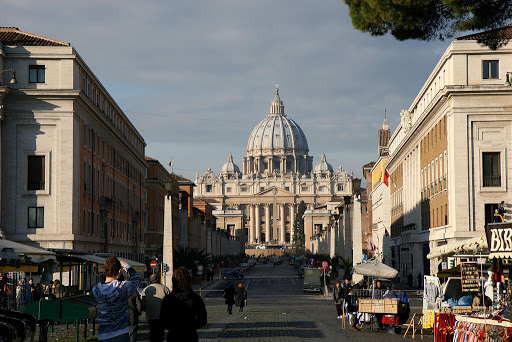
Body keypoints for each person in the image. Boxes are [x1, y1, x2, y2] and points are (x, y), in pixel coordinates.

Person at [92, 257, 140, 342]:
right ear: (119, 271)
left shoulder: (96, 290)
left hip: (103, 334)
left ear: (104, 270)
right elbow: (136, 279)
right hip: (121, 332)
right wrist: (126, 266)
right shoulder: (124, 287)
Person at [160, 266, 207, 342]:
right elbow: (203, 319)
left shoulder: (168, 299)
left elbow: (163, 319)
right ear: (189, 280)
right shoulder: (195, 298)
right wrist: (191, 325)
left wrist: (173, 326)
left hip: (173, 335)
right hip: (190, 335)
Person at [141, 273, 170, 342]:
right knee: (160, 334)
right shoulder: (164, 288)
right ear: (158, 279)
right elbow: (169, 303)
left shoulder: (146, 289)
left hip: (150, 315)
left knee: (152, 333)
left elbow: (143, 303)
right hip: (162, 316)